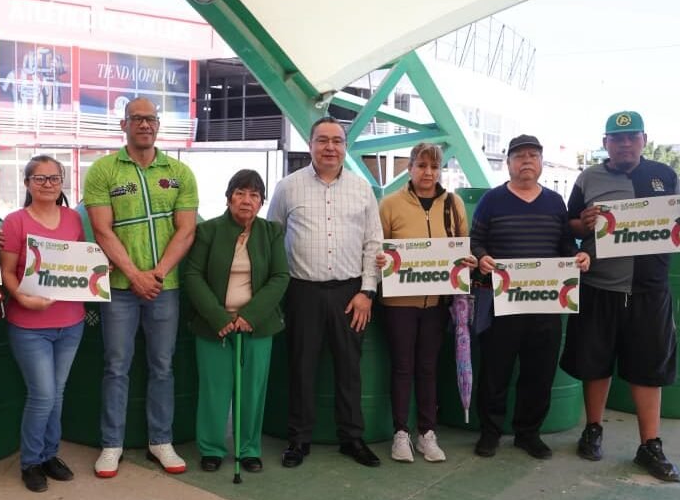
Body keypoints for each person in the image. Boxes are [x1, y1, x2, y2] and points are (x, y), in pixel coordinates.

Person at [560, 111, 680, 482]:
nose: (624, 144)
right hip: (599, 285)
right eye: (616, 138)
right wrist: (586, 220)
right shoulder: (588, 177)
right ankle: (592, 430)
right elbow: (571, 225)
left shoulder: (664, 175)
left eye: (631, 138)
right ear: (605, 142)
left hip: (649, 288)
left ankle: (650, 445)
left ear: (643, 139)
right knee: (594, 363)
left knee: (649, 367)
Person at [83, 97, 198, 478]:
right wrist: (134, 275)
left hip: (165, 287)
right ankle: (111, 444)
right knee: (116, 367)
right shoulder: (103, 170)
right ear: (124, 124)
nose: (144, 124)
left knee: (162, 366)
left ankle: (159, 441)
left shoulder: (180, 172)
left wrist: (158, 274)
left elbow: (186, 229)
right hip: (119, 288)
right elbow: (102, 230)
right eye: (137, 119)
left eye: (150, 119)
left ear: (158, 125)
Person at [267, 116, 384, 468]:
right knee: (301, 367)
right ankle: (298, 440)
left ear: (345, 147)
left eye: (337, 141)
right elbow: (273, 237)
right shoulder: (288, 187)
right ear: (311, 145)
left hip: (351, 294)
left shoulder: (363, 189)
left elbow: (373, 242)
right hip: (302, 292)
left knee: (349, 369)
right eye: (322, 140)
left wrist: (367, 291)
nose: (330, 147)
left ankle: (352, 438)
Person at [470, 134, 590, 460]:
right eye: (519, 156)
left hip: (546, 305)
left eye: (533, 156)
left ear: (540, 163)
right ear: (507, 163)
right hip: (503, 304)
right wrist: (481, 257)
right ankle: (490, 433)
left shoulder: (555, 202)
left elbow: (566, 246)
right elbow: (475, 241)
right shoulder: (492, 201)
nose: (526, 161)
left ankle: (528, 433)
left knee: (539, 373)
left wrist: (578, 257)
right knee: (495, 372)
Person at [185, 170, 290, 473]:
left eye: (254, 195)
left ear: (261, 202)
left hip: (256, 327)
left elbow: (280, 276)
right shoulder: (208, 231)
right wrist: (218, 316)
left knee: (253, 390)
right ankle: (211, 448)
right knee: (214, 389)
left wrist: (250, 316)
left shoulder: (272, 232)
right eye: (241, 193)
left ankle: (248, 449)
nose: (247, 200)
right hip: (213, 325)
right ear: (229, 197)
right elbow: (192, 275)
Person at [376, 143, 476, 463]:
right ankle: (400, 434)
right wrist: (380, 259)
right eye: (421, 166)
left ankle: (426, 433)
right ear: (410, 168)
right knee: (403, 367)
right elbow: (377, 248)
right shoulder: (389, 204)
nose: (428, 173)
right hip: (398, 303)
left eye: (434, 167)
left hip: (436, 303)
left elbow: (463, 244)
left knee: (428, 368)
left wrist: (468, 261)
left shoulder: (453, 203)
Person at [0, 155, 87, 492]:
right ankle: (31, 461)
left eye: (54, 178)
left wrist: (95, 274)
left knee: (58, 393)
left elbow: (75, 266)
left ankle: (51, 454)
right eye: (40, 178)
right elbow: (7, 273)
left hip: (71, 321)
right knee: (42, 395)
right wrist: (22, 297)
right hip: (29, 325)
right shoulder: (15, 222)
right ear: (27, 184)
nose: (48, 184)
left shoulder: (73, 220)